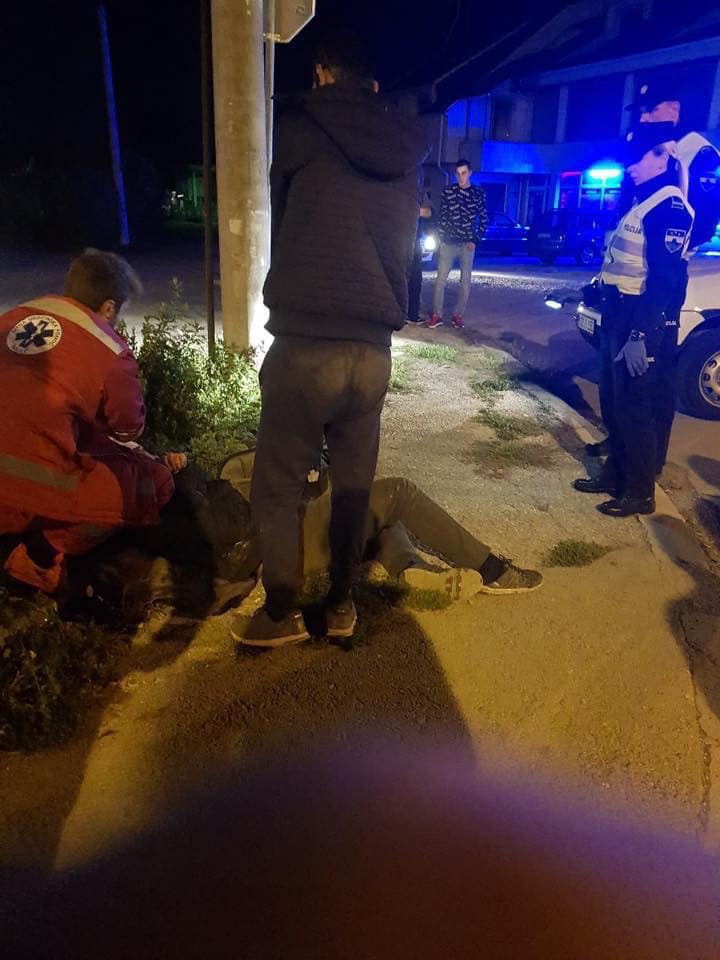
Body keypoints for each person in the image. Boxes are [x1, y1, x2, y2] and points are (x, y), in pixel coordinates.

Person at [246, 29, 428, 647]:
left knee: (278, 485)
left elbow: (283, 221)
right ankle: (343, 605)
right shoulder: (405, 146)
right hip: (372, 349)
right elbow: (404, 248)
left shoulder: (301, 128)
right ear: (373, 84)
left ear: (323, 73)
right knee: (352, 486)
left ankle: (280, 613)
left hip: (307, 341)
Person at [221, 451, 541, 648]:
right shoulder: (251, 461)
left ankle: (411, 568)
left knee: (379, 513)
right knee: (398, 493)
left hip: (291, 533)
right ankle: (493, 571)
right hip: (289, 540)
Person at [0, 249, 176, 593]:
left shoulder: (14, 317)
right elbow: (127, 428)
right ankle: (37, 559)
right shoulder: (107, 349)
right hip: (29, 479)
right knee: (150, 484)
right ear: (109, 308)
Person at [587, 78, 720, 461]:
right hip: (628, 278)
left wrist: (678, 245)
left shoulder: (696, 150)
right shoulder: (642, 147)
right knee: (614, 371)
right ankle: (619, 443)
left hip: (663, 275)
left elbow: (707, 212)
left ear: (673, 109)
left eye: (651, 110)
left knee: (654, 375)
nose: (644, 117)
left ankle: (650, 458)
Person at [574, 123, 694, 517]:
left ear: (661, 158)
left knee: (635, 408)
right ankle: (615, 475)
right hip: (617, 313)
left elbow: (664, 282)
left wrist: (641, 334)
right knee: (613, 401)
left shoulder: (669, 206)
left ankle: (641, 492)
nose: (629, 167)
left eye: (637, 159)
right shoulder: (643, 199)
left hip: (637, 318)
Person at [427, 159, 488, 330]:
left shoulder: (477, 193)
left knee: (465, 282)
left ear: (470, 173)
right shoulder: (449, 192)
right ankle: (437, 315)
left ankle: (457, 315)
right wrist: (442, 237)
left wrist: (475, 240)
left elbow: (483, 218)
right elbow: (442, 216)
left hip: (467, 245)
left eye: (464, 173)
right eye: (458, 173)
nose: (461, 177)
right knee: (440, 280)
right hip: (448, 243)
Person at [406, 195, 434, 324]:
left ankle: (412, 315)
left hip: (414, 240)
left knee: (415, 279)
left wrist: (411, 210)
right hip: (397, 239)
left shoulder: (419, 192)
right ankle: (400, 313)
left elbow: (429, 212)